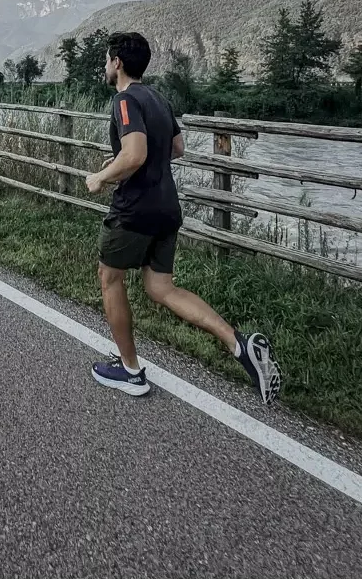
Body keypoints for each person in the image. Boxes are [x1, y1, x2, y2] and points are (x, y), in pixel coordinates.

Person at [85, 32, 281, 404]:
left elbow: (136, 154)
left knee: (109, 278)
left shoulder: (124, 100)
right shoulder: (158, 98)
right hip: (167, 207)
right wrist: (125, 162)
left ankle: (130, 372)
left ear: (118, 63)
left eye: (107, 59)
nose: (106, 66)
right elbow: (176, 148)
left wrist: (101, 177)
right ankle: (239, 346)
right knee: (161, 288)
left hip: (135, 210)